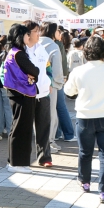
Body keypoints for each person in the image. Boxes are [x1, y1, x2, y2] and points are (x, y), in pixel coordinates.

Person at [64, 36, 104, 203]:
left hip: (85, 116)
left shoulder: (78, 71)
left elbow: (69, 91)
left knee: (85, 152)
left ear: (86, 52)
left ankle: (85, 181)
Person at [2, 23, 41, 174]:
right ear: (21, 36)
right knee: (22, 129)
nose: (29, 36)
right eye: (26, 34)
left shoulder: (12, 51)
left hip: (17, 93)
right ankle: (18, 163)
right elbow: (34, 70)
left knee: (16, 127)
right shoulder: (19, 53)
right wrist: (33, 75)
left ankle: (13, 161)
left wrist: (32, 75)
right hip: (22, 93)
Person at [25, 21, 54, 167]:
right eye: (36, 31)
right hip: (26, 95)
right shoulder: (20, 50)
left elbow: (48, 68)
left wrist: (49, 81)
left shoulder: (41, 49)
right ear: (27, 34)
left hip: (43, 94)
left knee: (43, 126)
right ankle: (24, 157)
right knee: (25, 128)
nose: (39, 34)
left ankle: (45, 157)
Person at [37, 22, 65, 150]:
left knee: (37, 114)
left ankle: (40, 141)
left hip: (33, 83)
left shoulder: (35, 43)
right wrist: (58, 83)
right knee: (50, 113)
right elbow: (57, 68)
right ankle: (49, 141)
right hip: (50, 85)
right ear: (53, 32)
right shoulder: (53, 46)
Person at [53, 25, 76, 142]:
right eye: (58, 32)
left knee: (52, 108)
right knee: (61, 107)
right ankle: (68, 134)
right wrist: (64, 77)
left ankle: (56, 133)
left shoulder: (39, 43)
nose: (60, 33)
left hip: (45, 81)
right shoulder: (58, 44)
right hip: (57, 80)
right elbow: (63, 63)